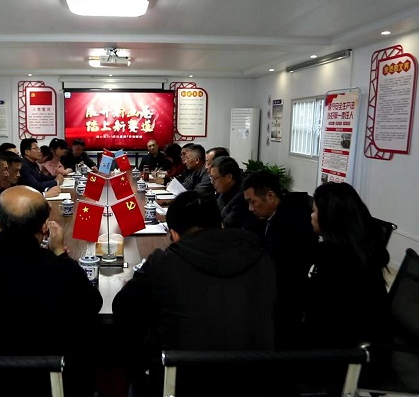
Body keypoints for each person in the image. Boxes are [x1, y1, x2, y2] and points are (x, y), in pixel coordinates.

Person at [113, 191, 275, 396]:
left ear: (174, 234)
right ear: (220, 224)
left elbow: (122, 310)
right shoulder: (261, 257)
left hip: (179, 381)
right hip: (255, 381)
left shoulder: (163, 263)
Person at [0, 186, 102, 396]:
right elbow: (93, 304)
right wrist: (60, 252)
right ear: (44, 226)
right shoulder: (60, 269)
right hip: (47, 382)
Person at [303, 182, 391, 349]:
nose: (311, 215)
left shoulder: (336, 263)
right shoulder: (361, 251)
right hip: (359, 344)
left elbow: (318, 320)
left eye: (314, 210)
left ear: (328, 218)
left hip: (345, 354)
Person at [242, 170, 318, 349]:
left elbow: (274, 258)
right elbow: (244, 236)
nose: (250, 208)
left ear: (270, 196)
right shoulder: (264, 215)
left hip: (288, 303)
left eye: (252, 202)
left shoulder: (295, 221)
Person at [210, 156, 254, 230]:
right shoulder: (223, 188)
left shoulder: (242, 197)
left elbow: (226, 225)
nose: (212, 182)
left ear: (229, 177)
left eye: (214, 178)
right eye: (211, 178)